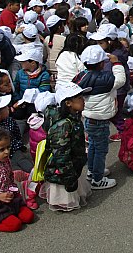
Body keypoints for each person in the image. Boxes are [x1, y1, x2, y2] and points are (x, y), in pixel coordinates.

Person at [74, 45, 125, 189]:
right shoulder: (106, 79)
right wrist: (116, 63)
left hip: (89, 118)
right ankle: (98, 178)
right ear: (102, 63)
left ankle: (92, 171)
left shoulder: (80, 76)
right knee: (101, 149)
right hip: (101, 120)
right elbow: (120, 80)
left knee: (93, 147)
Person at [40, 83, 92, 211]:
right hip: (64, 169)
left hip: (73, 164)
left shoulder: (74, 117)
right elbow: (61, 154)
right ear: (68, 103)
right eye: (79, 98)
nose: (83, 101)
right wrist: (69, 178)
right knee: (64, 191)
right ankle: (63, 201)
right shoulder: (63, 125)